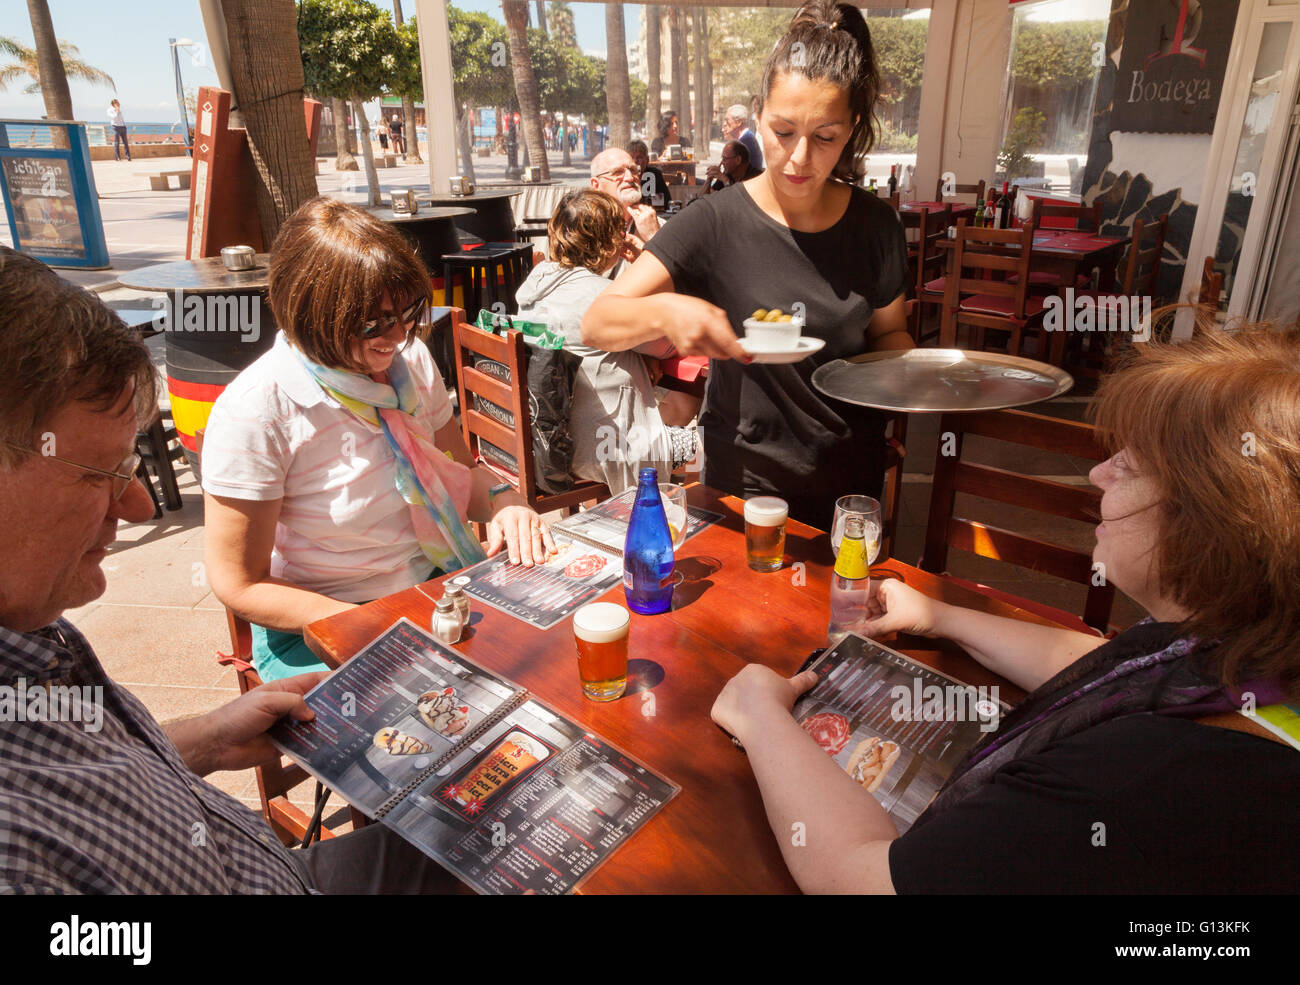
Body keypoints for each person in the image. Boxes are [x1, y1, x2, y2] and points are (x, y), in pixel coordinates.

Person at [711, 323, 1300, 894]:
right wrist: (941, 618)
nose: (1097, 472)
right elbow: (1122, 670)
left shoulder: (1136, 782)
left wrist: (762, 714)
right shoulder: (1247, 640)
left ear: (1213, 525)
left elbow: (865, 879)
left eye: (1131, 464)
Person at [0, 245, 460, 893]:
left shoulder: (35, 634)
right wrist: (366, 619)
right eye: (101, 474)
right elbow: (237, 579)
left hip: (275, 866)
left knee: (486, 835)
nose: (137, 505)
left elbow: (81, 770)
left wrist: (206, 739)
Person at [583, 1, 912, 528]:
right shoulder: (715, 222)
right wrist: (667, 312)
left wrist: (909, 379)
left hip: (852, 481)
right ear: (757, 118)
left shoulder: (877, 227)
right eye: (783, 132)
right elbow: (598, 321)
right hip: (745, 485)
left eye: (825, 136)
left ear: (850, 130)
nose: (800, 157)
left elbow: (891, 335)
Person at [200, 198, 554, 683]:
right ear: (309, 316)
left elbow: (459, 470)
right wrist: (362, 623)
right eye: (370, 323)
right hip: (322, 615)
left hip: (431, 585)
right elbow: (239, 582)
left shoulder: (411, 366)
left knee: (544, 669)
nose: (396, 335)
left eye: (406, 312)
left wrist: (505, 501)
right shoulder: (259, 410)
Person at [514, 190, 697, 493]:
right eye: (621, 229)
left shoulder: (535, 284)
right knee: (710, 444)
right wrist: (648, 266)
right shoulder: (600, 296)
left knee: (679, 405)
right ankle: (665, 520)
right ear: (609, 240)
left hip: (551, 445)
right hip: (607, 449)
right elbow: (668, 342)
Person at [590, 146, 660, 253]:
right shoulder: (585, 228)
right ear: (596, 185)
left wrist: (654, 237)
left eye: (633, 170)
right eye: (617, 172)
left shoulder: (656, 225)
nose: (630, 177)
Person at [629, 140, 670, 209]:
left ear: (647, 160)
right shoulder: (625, 177)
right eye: (632, 158)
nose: (635, 161)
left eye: (639, 157)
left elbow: (666, 201)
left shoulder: (655, 174)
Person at [723, 102, 763, 170]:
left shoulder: (745, 142)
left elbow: (735, 175)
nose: (724, 124)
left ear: (739, 122)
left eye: (727, 120)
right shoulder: (747, 138)